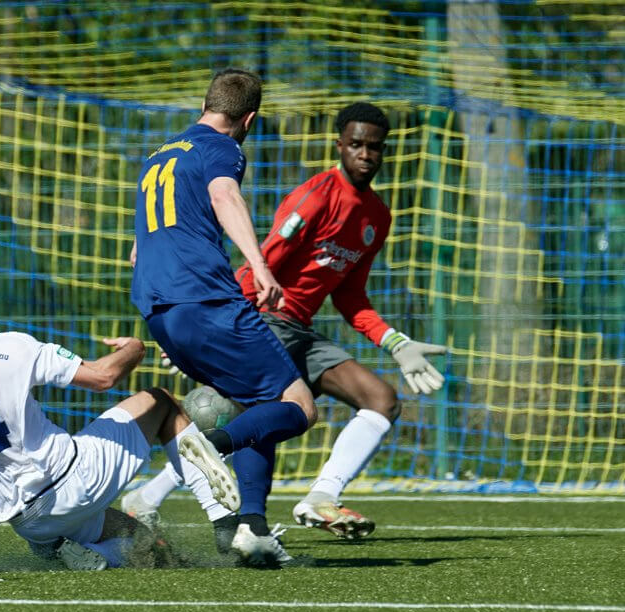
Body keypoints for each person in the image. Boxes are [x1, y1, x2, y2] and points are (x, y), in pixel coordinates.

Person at [123, 102, 448, 540]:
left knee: (381, 400)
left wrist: (394, 342)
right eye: (356, 144)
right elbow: (266, 260)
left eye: (374, 147)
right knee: (248, 415)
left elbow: (350, 296)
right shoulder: (317, 195)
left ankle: (319, 498)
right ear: (339, 145)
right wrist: (207, 321)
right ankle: (153, 497)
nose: (365, 154)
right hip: (268, 318)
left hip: (302, 330)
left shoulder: (377, 217)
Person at [0, 274, 239, 571]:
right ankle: (223, 517)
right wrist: (135, 348)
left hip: (27, 520)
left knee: (144, 543)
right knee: (160, 401)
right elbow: (104, 378)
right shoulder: (11, 346)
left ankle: (65, 548)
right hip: (76, 477)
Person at [130, 68, 318, 567]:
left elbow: (137, 250)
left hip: (158, 306)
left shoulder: (158, 157)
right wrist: (258, 266)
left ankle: (249, 530)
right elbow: (224, 196)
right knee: (298, 404)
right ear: (249, 118)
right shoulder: (223, 147)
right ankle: (213, 444)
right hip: (206, 299)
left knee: (259, 405)